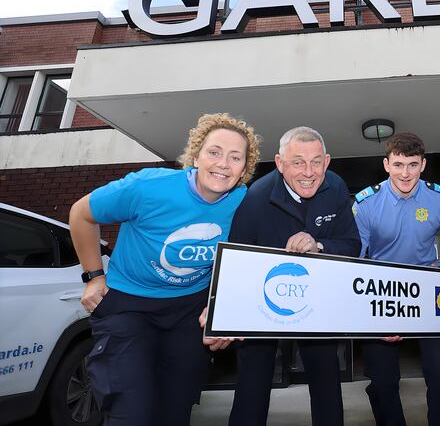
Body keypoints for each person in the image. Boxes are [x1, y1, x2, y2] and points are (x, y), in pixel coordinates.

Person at [69, 113, 261, 426]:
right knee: (132, 413)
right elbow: (81, 214)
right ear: (196, 156)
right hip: (129, 306)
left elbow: (247, 261)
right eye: (214, 152)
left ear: (244, 168)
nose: (223, 164)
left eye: (235, 157)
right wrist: (93, 277)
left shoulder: (244, 202)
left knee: (175, 411)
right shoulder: (148, 186)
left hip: (188, 312)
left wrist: (223, 309)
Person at [227, 126, 361, 426]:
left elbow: (352, 245)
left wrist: (319, 245)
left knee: (327, 379)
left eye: (316, 162)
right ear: (280, 163)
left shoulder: (336, 187)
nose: (308, 172)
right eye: (298, 162)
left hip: (314, 301)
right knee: (252, 382)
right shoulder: (256, 197)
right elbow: (236, 259)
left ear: (327, 161)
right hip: (262, 299)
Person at [353, 132, 440, 426]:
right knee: (382, 381)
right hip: (381, 295)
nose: (405, 173)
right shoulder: (366, 203)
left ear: (423, 165)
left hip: (427, 294)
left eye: (413, 165)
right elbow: (357, 259)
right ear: (386, 164)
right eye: (399, 165)